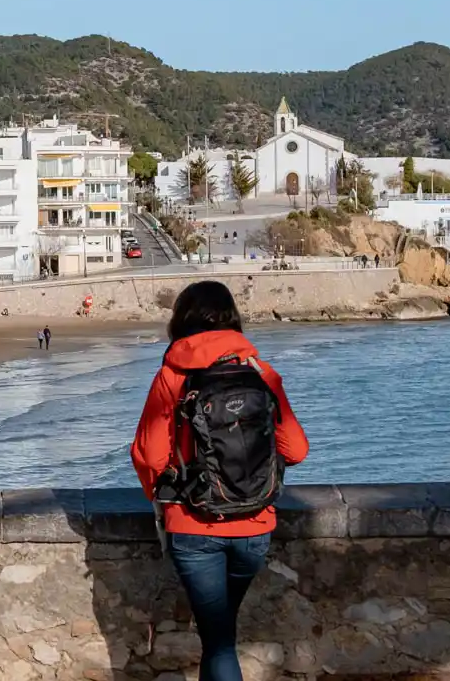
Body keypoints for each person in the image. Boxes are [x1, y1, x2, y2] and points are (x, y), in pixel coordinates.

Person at [131, 280, 309, 681]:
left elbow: (150, 457)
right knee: (220, 636)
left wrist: (164, 503)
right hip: (255, 526)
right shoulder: (262, 374)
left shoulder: (171, 377)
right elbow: (296, 450)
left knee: (220, 643)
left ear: (181, 320)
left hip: (193, 527)